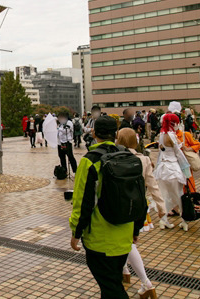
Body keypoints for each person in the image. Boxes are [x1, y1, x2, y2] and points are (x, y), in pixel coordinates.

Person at [69, 116, 133, 299]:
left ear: (94, 133)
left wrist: (76, 232)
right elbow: (136, 197)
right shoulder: (127, 156)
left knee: (112, 289)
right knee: (111, 285)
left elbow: (82, 203)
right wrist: (135, 228)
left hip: (100, 239)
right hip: (125, 235)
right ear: (116, 134)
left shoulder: (90, 161)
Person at [116, 128, 166, 299]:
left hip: (122, 208)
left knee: (128, 243)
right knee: (126, 241)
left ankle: (146, 283)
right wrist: (161, 207)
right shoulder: (144, 159)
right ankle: (125, 271)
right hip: (139, 207)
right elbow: (153, 185)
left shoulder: (115, 159)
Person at [154, 113, 192, 231]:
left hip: (162, 169)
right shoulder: (171, 135)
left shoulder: (161, 135)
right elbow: (178, 154)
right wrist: (186, 169)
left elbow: (161, 152)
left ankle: (163, 220)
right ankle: (184, 221)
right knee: (179, 195)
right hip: (173, 168)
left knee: (165, 196)